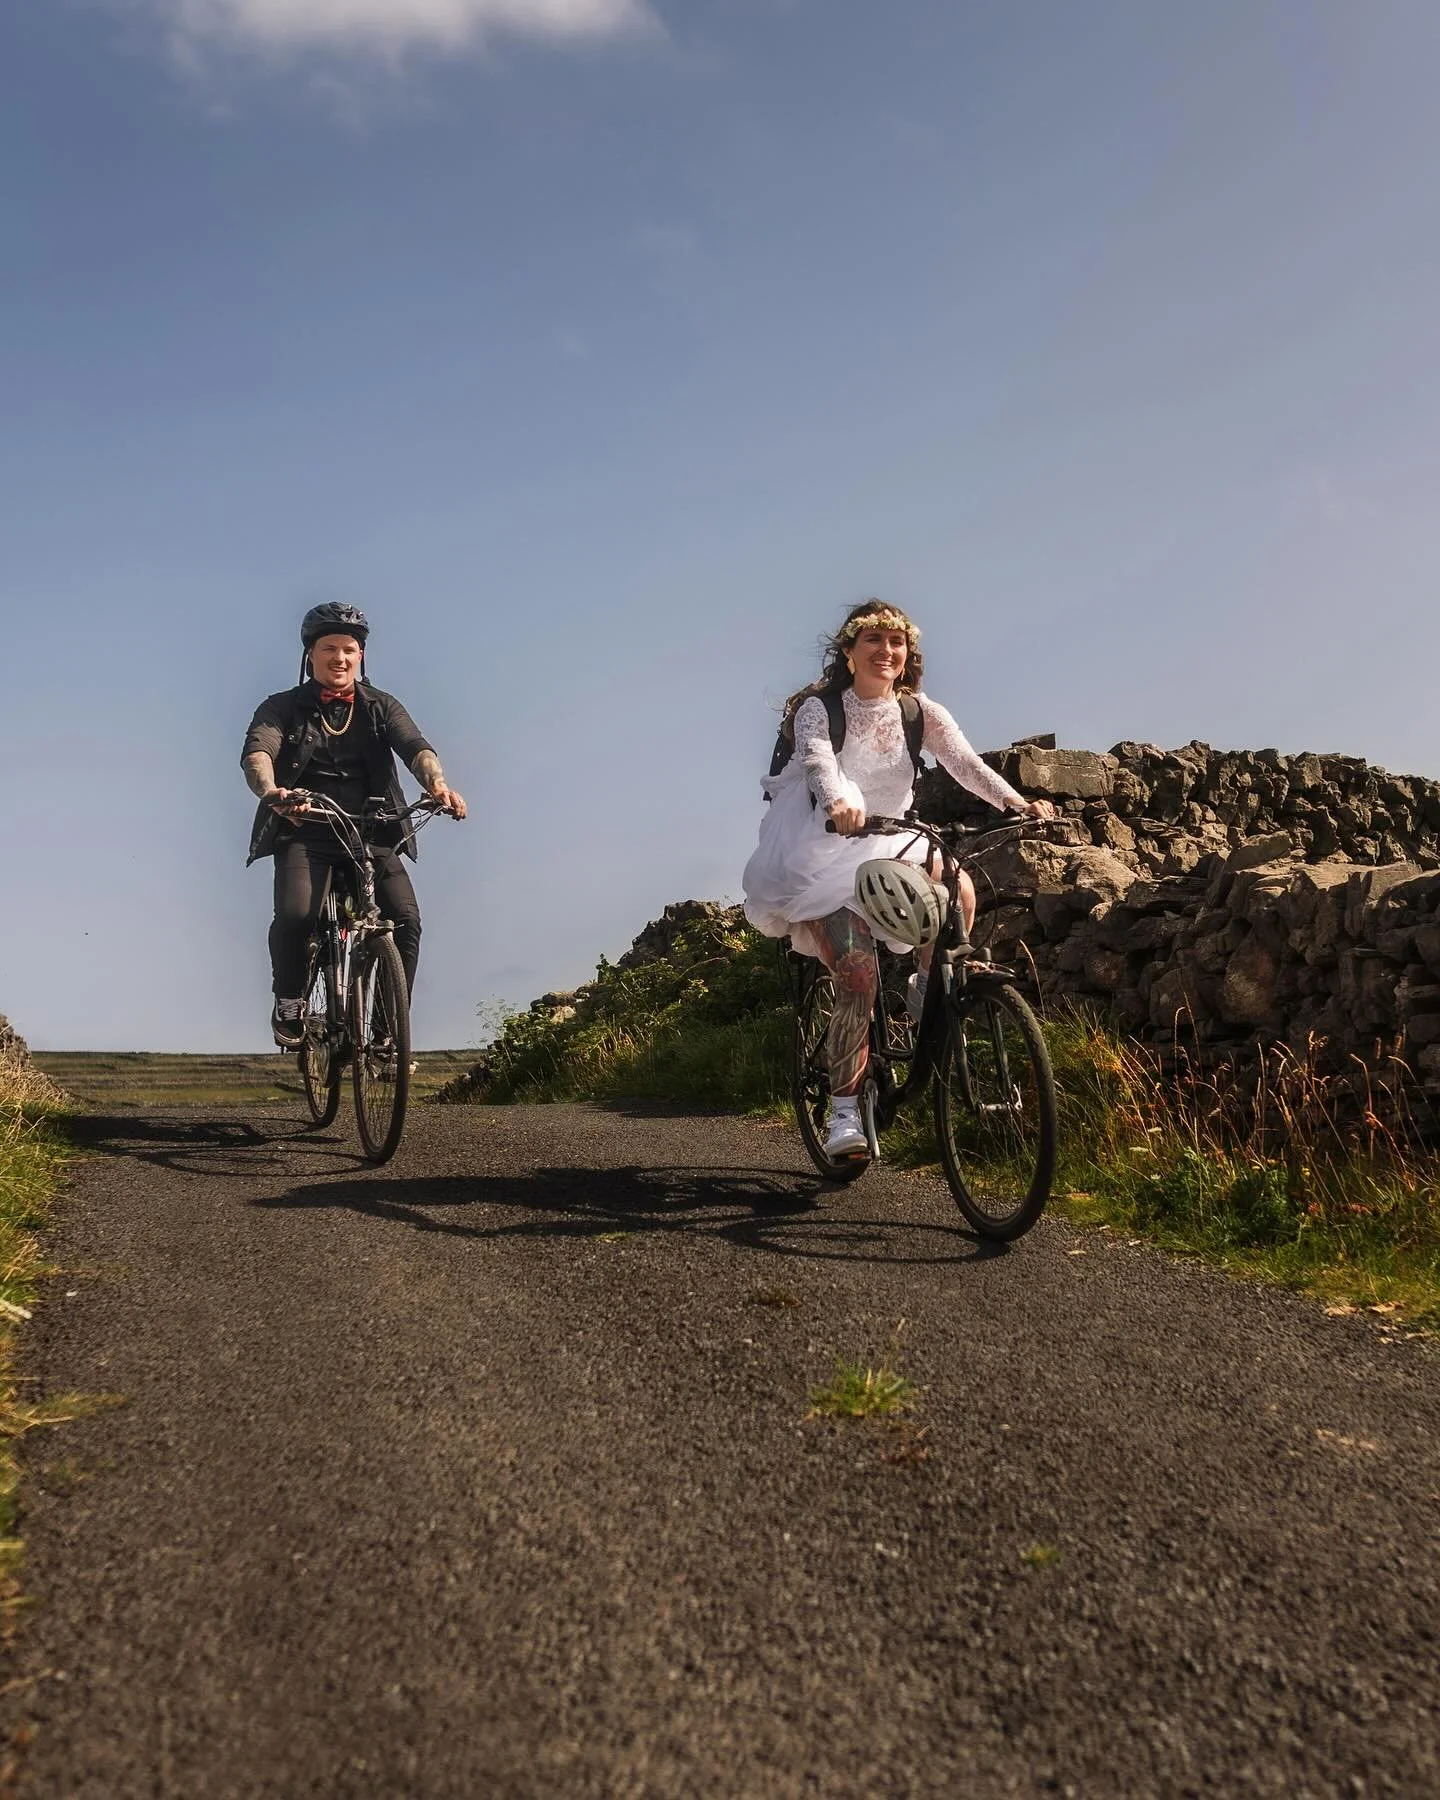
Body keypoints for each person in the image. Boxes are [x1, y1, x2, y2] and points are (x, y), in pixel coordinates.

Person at [743, 599, 1053, 1158]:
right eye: (873, 640)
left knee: (959, 889)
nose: (886, 651)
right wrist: (838, 802)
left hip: (892, 838)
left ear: (908, 652)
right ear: (849, 650)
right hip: (825, 851)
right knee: (857, 974)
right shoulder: (820, 708)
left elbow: (965, 763)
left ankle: (925, 989)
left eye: (896, 642)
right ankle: (843, 1112)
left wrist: (1016, 802)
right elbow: (817, 760)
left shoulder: (919, 712)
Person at [241, 604, 467, 1048]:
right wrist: (272, 792)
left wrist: (438, 785)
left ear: (361, 655)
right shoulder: (280, 707)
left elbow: (415, 747)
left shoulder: (381, 705)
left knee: (406, 920)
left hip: (372, 832)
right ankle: (290, 1000)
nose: (340, 658)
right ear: (310, 654)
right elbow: (258, 754)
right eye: (329, 648)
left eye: (349, 649)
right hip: (305, 829)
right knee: (297, 916)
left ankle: (385, 1028)